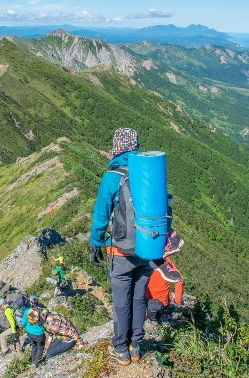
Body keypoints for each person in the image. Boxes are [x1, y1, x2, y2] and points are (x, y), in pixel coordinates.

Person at [88, 127, 181, 366]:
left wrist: (95, 243)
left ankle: (120, 348)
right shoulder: (148, 174)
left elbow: (101, 215)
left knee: (121, 301)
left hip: (120, 252)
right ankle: (136, 345)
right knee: (139, 299)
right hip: (147, 250)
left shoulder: (111, 177)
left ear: (116, 148)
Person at [146, 256, 185, 321]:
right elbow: (179, 280)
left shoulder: (141, 254)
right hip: (161, 302)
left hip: (141, 299)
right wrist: (178, 301)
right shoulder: (165, 260)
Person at [21, 296, 46, 367]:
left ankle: (33, 361)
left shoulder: (27, 311)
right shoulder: (42, 311)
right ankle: (35, 363)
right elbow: (44, 321)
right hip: (39, 333)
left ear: (31, 302)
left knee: (34, 346)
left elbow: (23, 323)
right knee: (40, 347)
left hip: (29, 333)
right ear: (37, 302)